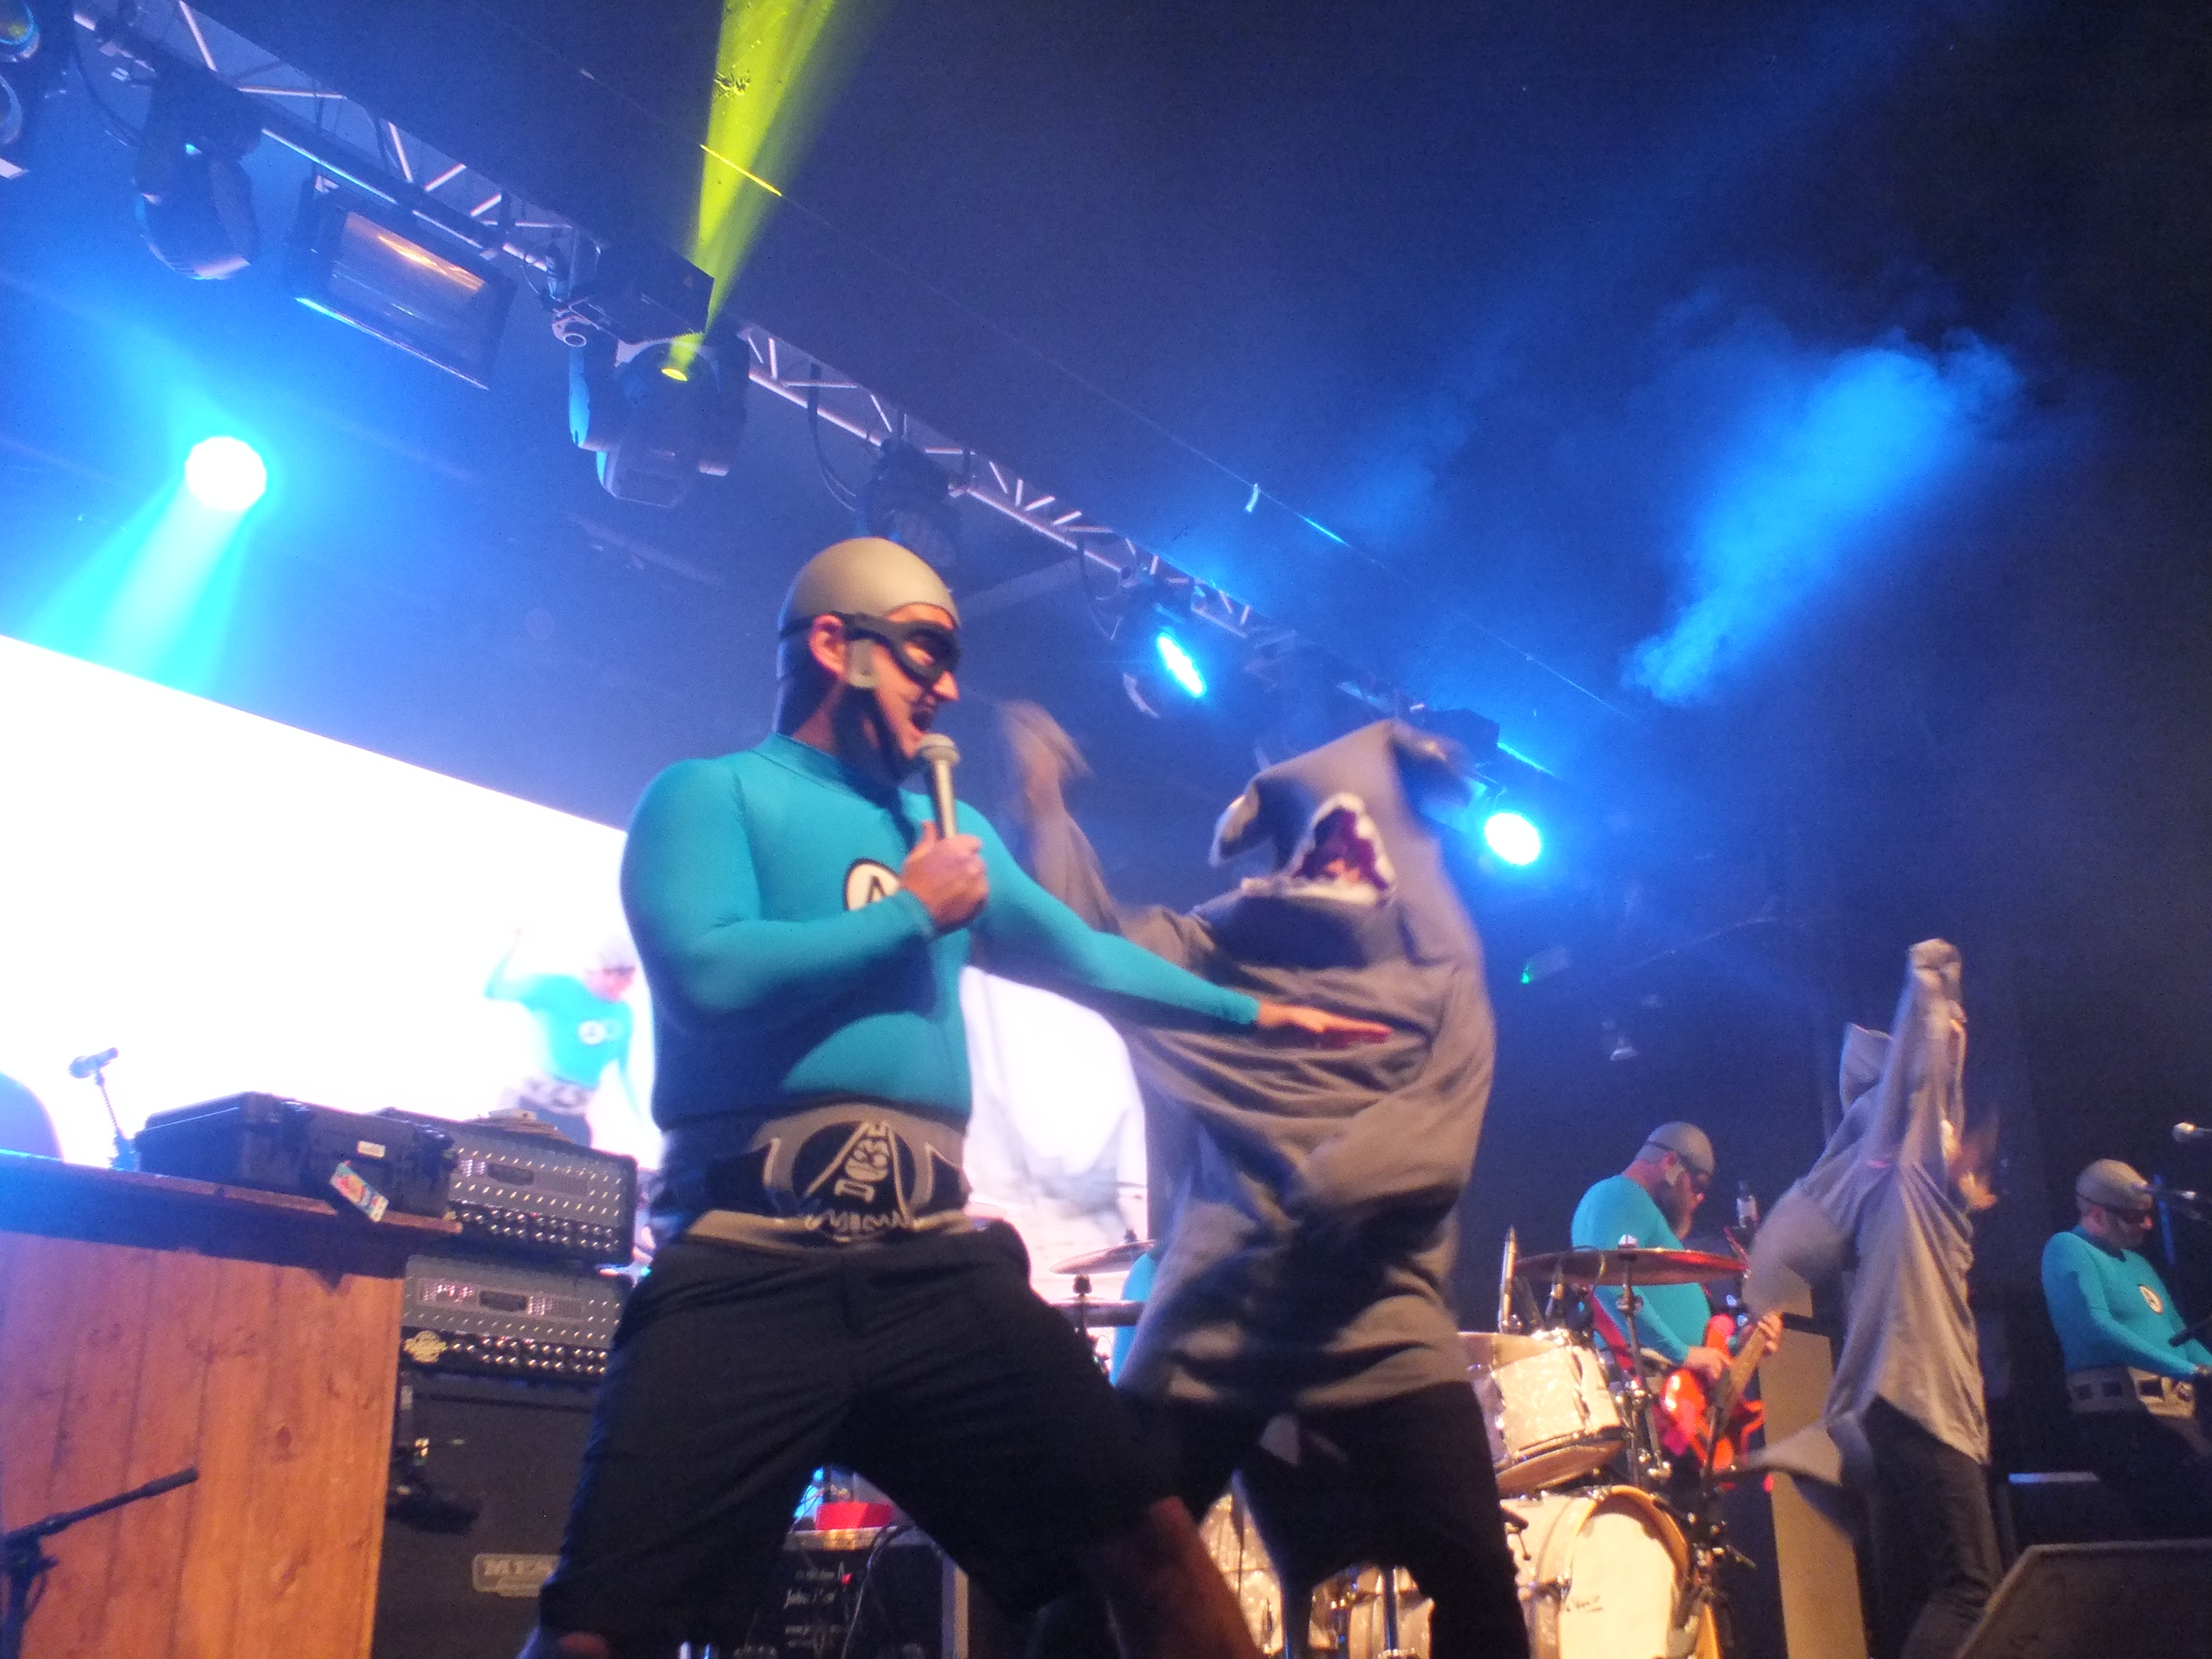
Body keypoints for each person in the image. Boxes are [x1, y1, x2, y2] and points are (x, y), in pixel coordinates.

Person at [523, 537, 1383, 1659]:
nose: (946, 686)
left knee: (1153, 1541)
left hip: (931, 1266)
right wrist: (911, 912)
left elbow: (1085, 955)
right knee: (599, 1628)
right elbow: (710, 978)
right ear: (833, 643)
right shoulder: (709, 794)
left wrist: (1253, 1014)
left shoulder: (951, 834)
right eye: (924, 649)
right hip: (744, 1262)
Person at [1004, 703, 1530, 1659]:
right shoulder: (1226, 949)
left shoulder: (1441, 969)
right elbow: (1092, 945)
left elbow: (1435, 1132)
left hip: (1378, 1330)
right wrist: (1046, 813)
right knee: (1098, 1587)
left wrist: (1324, 1184)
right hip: (1219, 1324)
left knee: (1482, 1598)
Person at [1744, 940, 2001, 1659]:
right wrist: (1935, 993)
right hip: (1921, 1405)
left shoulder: (1886, 1185)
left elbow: (1931, 1094)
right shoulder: (1905, 1170)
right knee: (1972, 1592)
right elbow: (1922, 1088)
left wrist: (1946, 1034)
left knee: (1917, 1596)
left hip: (1886, 1413)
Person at [2041, 1158, 2212, 1537]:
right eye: (2133, 1217)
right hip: (2123, 1421)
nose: (2147, 1225)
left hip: (2174, 1417)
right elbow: (2096, 1328)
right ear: (2096, 1214)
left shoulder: (2137, 1263)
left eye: (2147, 1215)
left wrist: (2205, 1367)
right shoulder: (2068, 1247)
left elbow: (2180, 1335)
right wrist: (2190, 1371)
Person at [1570, 1121, 1737, 1383]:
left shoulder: (1634, 1205)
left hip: (1670, 1379)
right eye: (1697, 1184)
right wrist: (1682, 1353)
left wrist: (1742, 1342)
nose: (1699, 1197)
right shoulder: (1622, 1195)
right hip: (1643, 1377)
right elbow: (1610, 1282)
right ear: (1671, 1162)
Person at [484, 932, 641, 1147]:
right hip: (525, 1108)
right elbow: (493, 990)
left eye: (629, 980)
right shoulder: (554, 988)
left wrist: (644, 1122)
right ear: (603, 969)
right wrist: (510, 944)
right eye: (622, 977)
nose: (625, 986)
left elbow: (624, 1072)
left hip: (572, 1119)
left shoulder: (623, 1015)